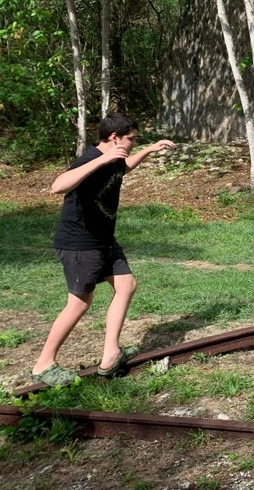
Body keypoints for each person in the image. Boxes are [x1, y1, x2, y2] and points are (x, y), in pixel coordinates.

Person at [30, 114, 175, 387]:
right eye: (131, 139)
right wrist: (101, 160)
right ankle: (43, 364)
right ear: (114, 137)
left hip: (104, 240)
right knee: (79, 303)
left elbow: (123, 169)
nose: (133, 143)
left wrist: (148, 150)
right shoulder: (91, 158)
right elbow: (57, 186)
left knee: (126, 285)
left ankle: (110, 356)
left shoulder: (116, 158)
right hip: (79, 244)